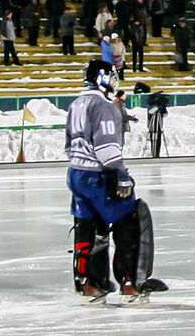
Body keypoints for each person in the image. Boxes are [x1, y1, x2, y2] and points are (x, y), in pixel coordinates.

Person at [66, 59, 166, 300]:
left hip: (76, 173)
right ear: (102, 77)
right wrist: (120, 172)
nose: (114, 80)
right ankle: (131, 282)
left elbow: (69, 144)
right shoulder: (104, 106)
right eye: (111, 75)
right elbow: (106, 146)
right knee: (129, 219)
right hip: (99, 174)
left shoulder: (76, 104)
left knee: (88, 224)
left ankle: (89, 282)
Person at [146, 89, 169, 158]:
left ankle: (157, 154)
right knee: (153, 140)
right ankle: (154, 154)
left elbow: (165, 114)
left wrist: (162, 108)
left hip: (159, 126)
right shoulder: (151, 105)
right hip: (152, 126)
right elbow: (151, 111)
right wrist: (157, 107)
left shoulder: (161, 105)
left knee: (158, 140)